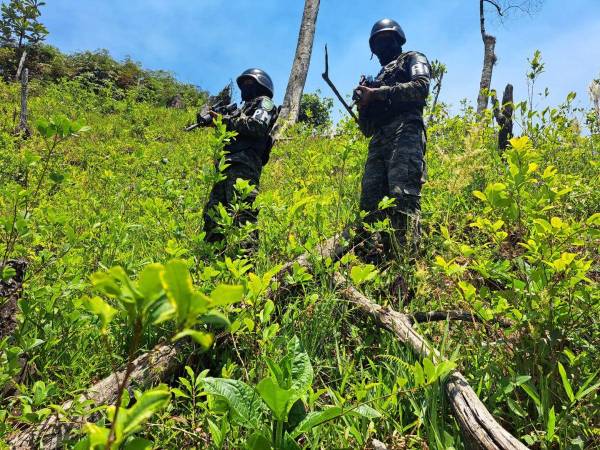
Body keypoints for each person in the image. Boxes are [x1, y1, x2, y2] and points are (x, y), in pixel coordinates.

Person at [353, 18, 431, 260]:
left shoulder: (412, 58)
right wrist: (363, 104)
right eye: (377, 43)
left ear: (398, 39)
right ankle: (374, 263)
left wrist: (378, 94)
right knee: (370, 202)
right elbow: (366, 129)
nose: (382, 47)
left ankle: (406, 265)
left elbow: (421, 87)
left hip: (405, 131)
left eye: (386, 40)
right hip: (379, 140)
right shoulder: (377, 76)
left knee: (402, 195)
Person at [202, 68, 278, 245]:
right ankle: (211, 261)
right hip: (224, 167)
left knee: (243, 217)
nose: (245, 87)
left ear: (261, 85)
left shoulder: (265, 103)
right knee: (213, 215)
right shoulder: (240, 110)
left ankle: (246, 268)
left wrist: (224, 120)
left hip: (244, 167)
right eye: (243, 84)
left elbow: (257, 126)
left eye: (249, 83)